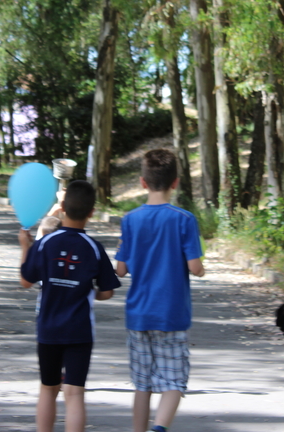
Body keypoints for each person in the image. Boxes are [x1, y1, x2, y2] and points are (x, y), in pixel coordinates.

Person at [19, 180, 121, 432]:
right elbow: (107, 291)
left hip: (48, 329)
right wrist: (89, 292)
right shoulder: (94, 248)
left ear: (62, 207)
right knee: (74, 393)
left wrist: (24, 247)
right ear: (91, 212)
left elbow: (25, 281)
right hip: (79, 331)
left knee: (48, 388)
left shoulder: (44, 244)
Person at [115, 149, 205, 432]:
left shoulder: (130, 219)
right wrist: (199, 266)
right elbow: (195, 267)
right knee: (174, 382)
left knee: (142, 384)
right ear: (175, 182)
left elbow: (120, 269)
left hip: (139, 313)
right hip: (171, 313)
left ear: (143, 182)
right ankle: (159, 428)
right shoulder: (184, 219)